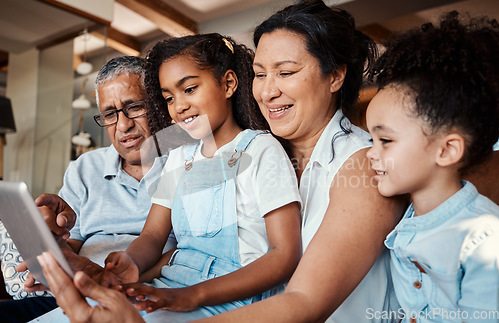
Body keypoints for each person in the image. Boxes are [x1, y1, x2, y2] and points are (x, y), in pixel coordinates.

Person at [34, 1, 406, 322]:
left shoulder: (362, 164)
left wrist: (180, 298)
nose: (267, 90)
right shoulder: (247, 138)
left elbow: (303, 302)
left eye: (286, 72)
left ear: (336, 75)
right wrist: (94, 261)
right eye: (260, 74)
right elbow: (158, 149)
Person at [35, 33, 302, 322]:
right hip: (172, 285)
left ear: (228, 84)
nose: (179, 106)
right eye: (169, 98)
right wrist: (131, 261)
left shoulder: (261, 149)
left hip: (232, 298)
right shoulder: (180, 158)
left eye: (189, 89)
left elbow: (284, 254)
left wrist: (191, 295)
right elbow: (152, 235)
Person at [0, 56, 176, 322]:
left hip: (144, 295)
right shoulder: (86, 167)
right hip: (75, 291)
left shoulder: (183, 162)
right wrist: (55, 242)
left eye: (134, 107)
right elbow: (72, 244)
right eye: (110, 114)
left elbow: (191, 253)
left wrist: (111, 280)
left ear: (157, 105)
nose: (123, 125)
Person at [365, 12, 499, 322]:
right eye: (371, 139)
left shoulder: (484, 236)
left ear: (447, 149)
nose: (371, 154)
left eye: (385, 140)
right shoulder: (404, 223)